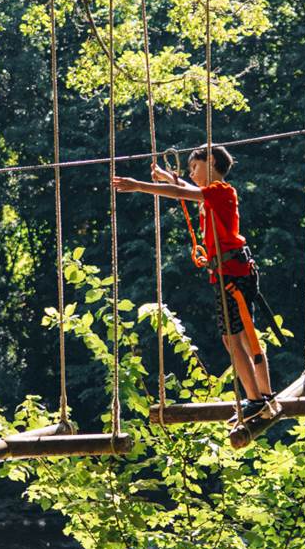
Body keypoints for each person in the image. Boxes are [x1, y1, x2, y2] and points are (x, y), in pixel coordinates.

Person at [112, 144, 278, 421]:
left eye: (195, 167)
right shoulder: (214, 195)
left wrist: (139, 186)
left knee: (233, 338)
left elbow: (182, 192)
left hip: (231, 275)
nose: (191, 174)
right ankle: (263, 394)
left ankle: (255, 398)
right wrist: (166, 176)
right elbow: (185, 187)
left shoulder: (219, 192)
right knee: (244, 336)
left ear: (210, 162)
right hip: (233, 271)